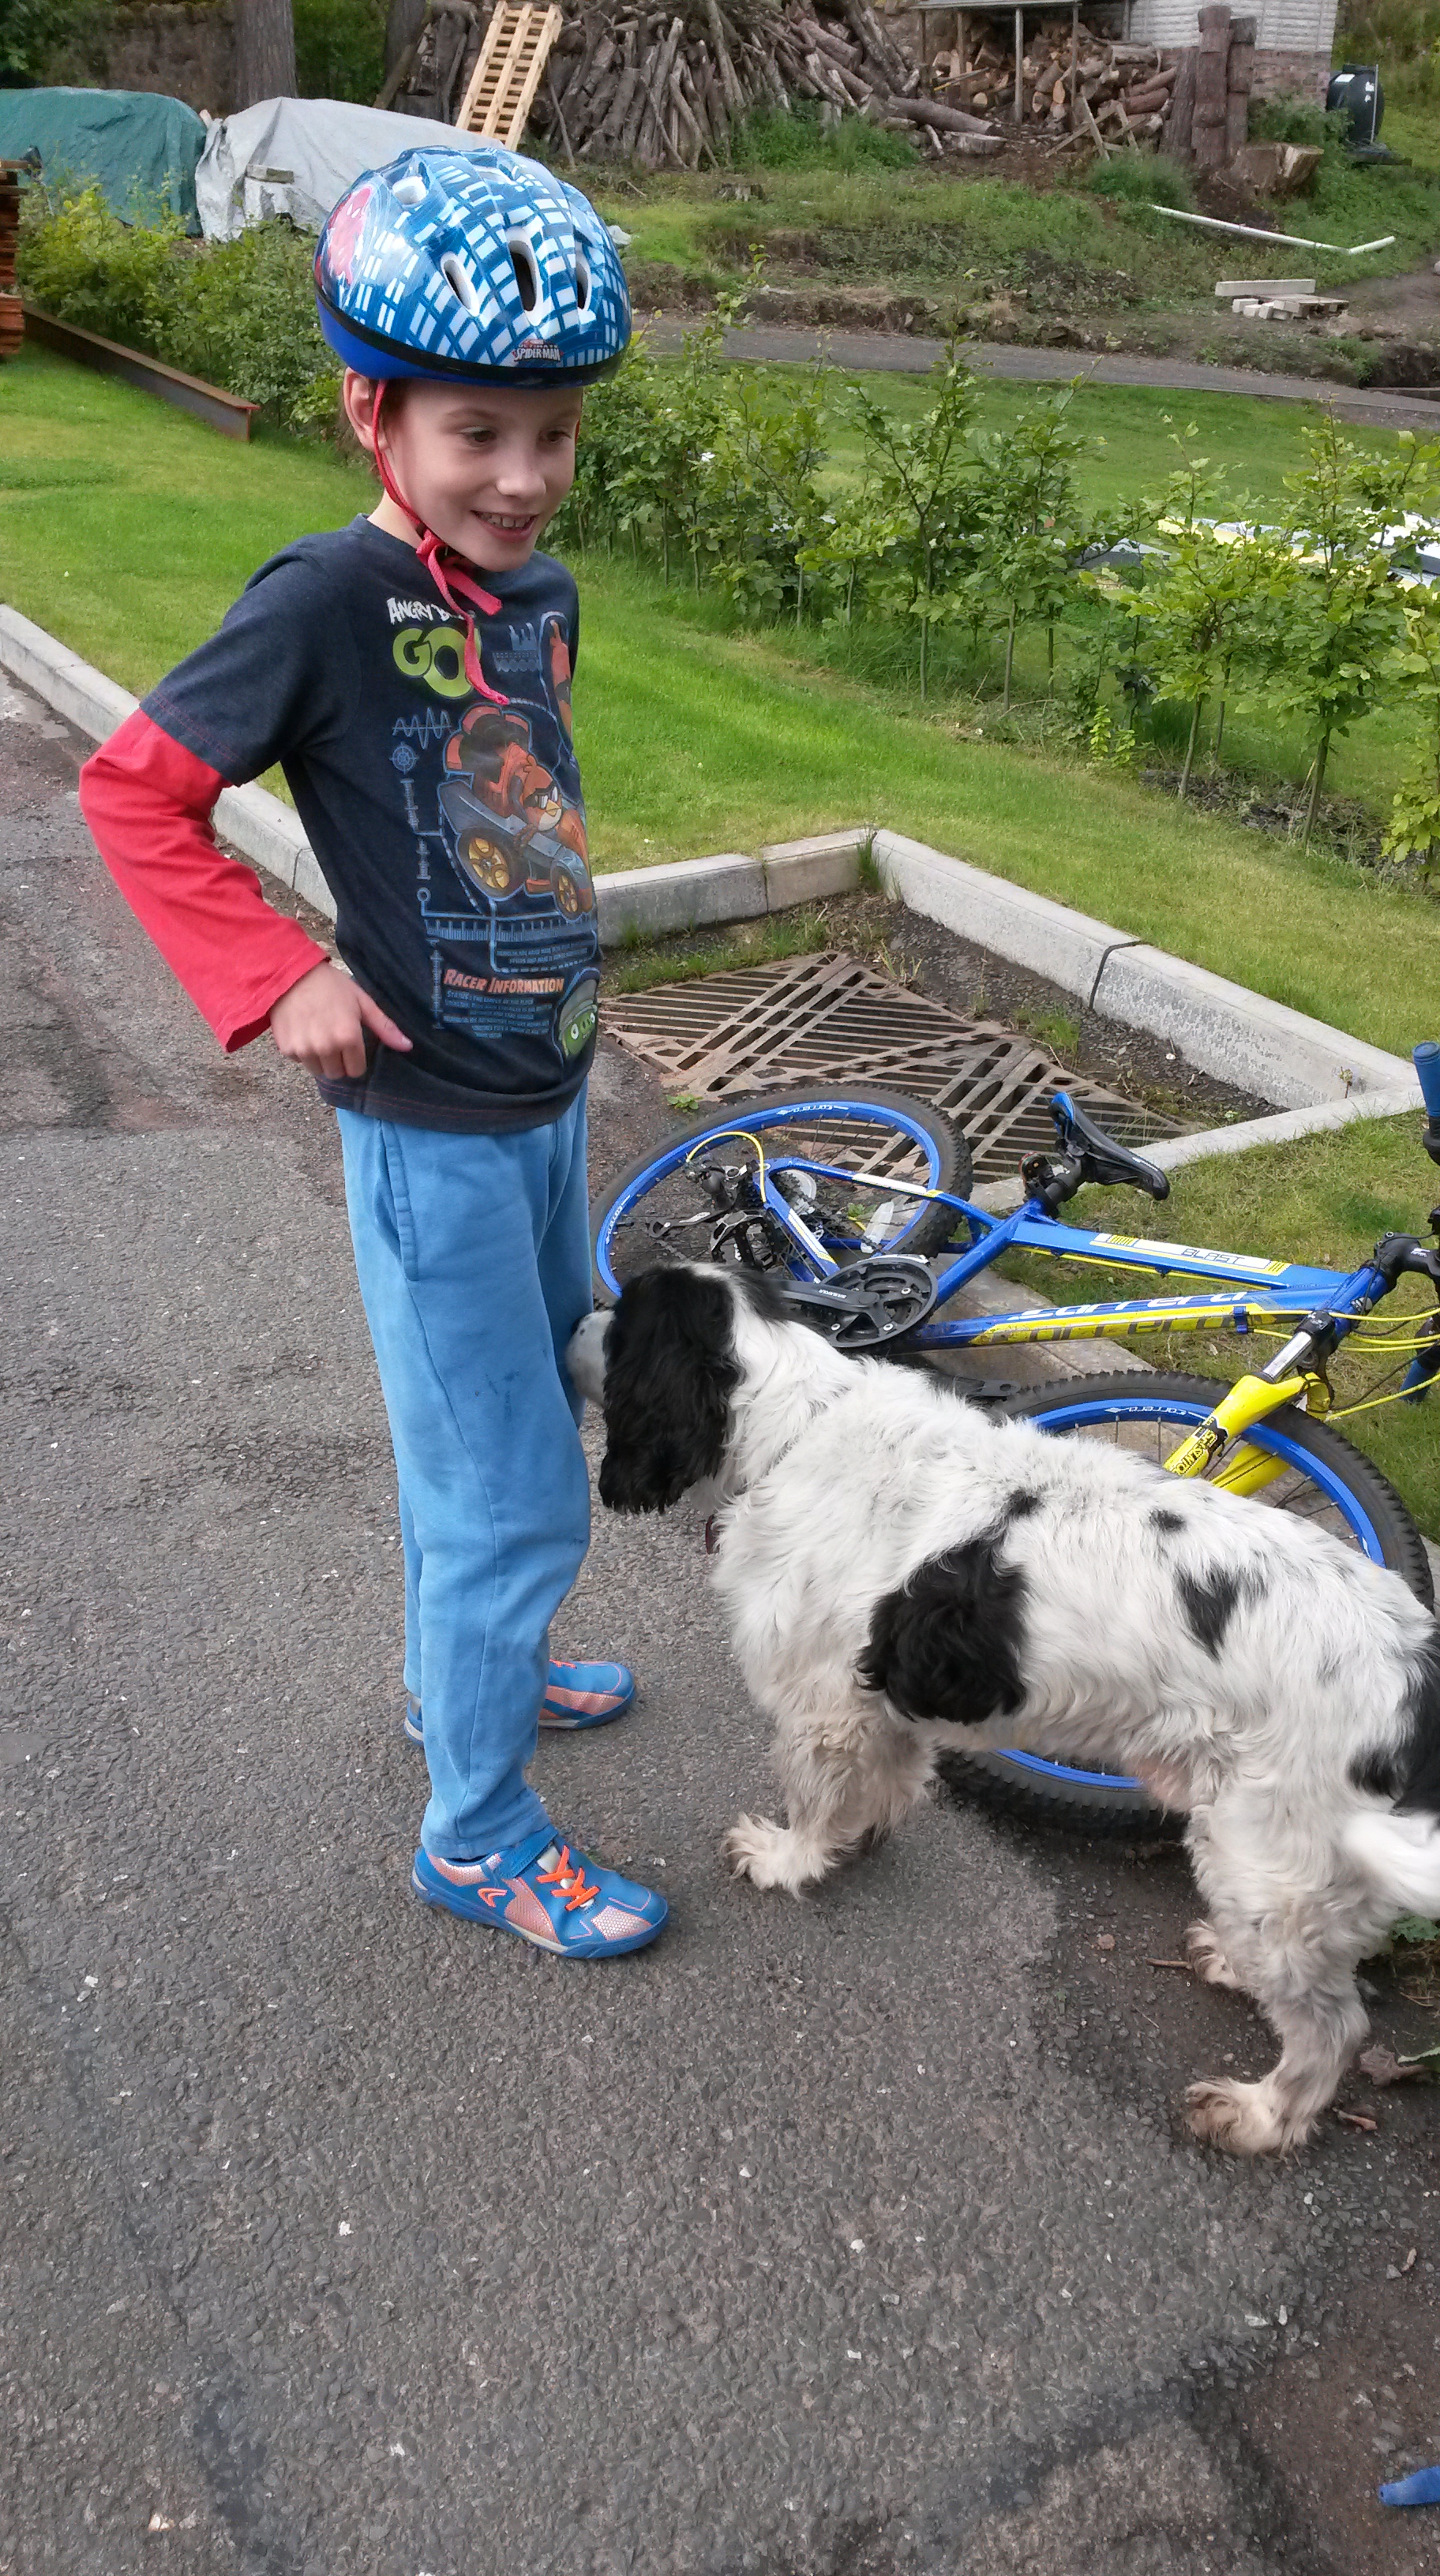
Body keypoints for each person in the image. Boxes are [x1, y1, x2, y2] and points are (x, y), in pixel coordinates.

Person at [77, 145, 667, 1960]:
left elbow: (503, 810)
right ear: (373, 415)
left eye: (553, 434)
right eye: (477, 433)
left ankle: (462, 1674)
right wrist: (276, 978)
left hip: (541, 1102)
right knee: (514, 1489)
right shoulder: (324, 599)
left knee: (510, 1423)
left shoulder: (536, 597)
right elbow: (135, 795)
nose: (523, 476)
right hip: (431, 1135)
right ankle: (477, 1834)